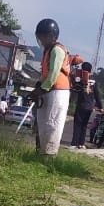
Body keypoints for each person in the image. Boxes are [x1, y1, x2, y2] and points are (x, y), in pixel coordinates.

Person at [30, 18, 74, 156]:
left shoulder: (57, 50)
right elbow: (45, 73)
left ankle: (49, 155)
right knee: (42, 123)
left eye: (42, 37)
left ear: (51, 36)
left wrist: (41, 89)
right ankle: (40, 152)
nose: (41, 41)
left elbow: (54, 73)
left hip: (57, 91)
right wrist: (38, 86)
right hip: (48, 90)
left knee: (52, 124)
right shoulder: (47, 51)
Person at [70, 62, 102, 148]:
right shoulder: (94, 81)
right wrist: (101, 107)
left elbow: (74, 90)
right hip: (89, 107)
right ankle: (81, 143)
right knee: (84, 125)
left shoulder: (79, 79)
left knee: (77, 124)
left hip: (81, 105)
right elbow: (97, 95)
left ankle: (74, 143)